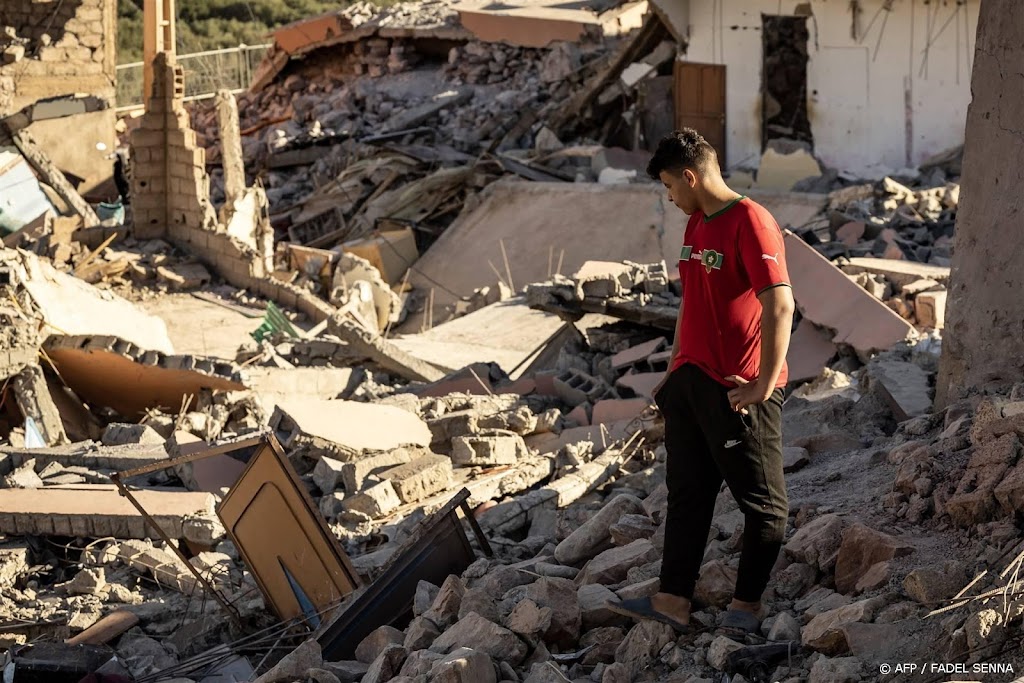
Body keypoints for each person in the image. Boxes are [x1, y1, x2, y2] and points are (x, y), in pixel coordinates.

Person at [610, 128, 795, 636]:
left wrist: (762, 383)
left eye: (670, 186)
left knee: (764, 504)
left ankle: (747, 605)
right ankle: (673, 599)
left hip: (735, 386)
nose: (669, 198)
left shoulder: (751, 221)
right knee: (687, 494)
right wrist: (672, 373)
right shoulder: (696, 224)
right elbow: (691, 301)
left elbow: (779, 303)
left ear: (690, 176)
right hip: (690, 384)